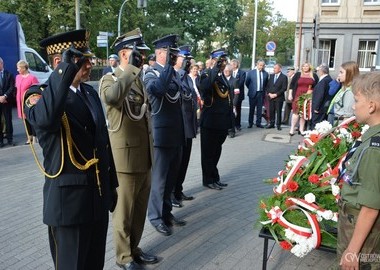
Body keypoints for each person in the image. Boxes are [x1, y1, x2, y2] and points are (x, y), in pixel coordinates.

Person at [23, 29, 118, 270]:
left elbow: (102, 141)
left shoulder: (89, 92)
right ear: (59, 62)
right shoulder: (38, 96)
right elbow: (44, 120)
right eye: (82, 60)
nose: (90, 64)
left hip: (96, 198)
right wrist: (63, 72)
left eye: (89, 59)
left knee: (94, 263)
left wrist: (111, 184)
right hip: (69, 206)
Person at [99, 28, 158, 270]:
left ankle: (133, 249)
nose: (142, 59)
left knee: (139, 210)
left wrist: (135, 73)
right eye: (138, 54)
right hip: (125, 159)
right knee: (124, 213)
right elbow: (113, 98)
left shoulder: (138, 81)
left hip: (143, 157)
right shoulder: (110, 79)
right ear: (125, 54)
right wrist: (131, 70)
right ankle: (123, 257)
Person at [336, 71, 380, 270]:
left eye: (356, 100)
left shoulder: (374, 149)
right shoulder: (372, 138)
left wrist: (353, 251)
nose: (353, 106)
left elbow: (371, 207)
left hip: (361, 233)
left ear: (371, 106)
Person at [144, 34, 186, 236]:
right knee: (159, 180)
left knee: (171, 178)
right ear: (160, 53)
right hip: (161, 136)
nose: (174, 56)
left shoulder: (175, 74)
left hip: (176, 133)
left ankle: (166, 212)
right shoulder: (150, 73)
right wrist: (169, 68)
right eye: (171, 53)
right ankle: (155, 217)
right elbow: (158, 91)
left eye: (174, 54)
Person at [199, 48, 232, 190]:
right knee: (208, 153)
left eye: (224, 60)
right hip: (210, 122)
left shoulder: (221, 75)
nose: (223, 63)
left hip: (221, 121)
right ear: (213, 60)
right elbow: (205, 88)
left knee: (216, 151)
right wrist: (214, 68)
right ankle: (208, 179)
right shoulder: (206, 74)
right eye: (221, 60)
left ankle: (215, 177)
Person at [171, 45, 197, 208]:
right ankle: (173, 193)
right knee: (177, 163)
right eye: (185, 59)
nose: (188, 62)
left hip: (189, 125)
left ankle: (179, 190)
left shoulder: (187, 77)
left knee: (185, 161)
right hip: (180, 127)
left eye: (188, 59)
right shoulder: (176, 76)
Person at [288, 62, 318, 136]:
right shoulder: (298, 74)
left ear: (309, 67)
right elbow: (291, 85)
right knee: (296, 112)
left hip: (308, 96)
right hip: (297, 95)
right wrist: (290, 94)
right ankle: (292, 128)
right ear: (302, 67)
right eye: (304, 66)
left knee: (303, 113)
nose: (305, 67)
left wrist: (312, 91)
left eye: (307, 66)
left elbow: (317, 86)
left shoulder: (314, 75)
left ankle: (301, 129)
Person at [328, 61, 360, 125]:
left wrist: (340, 130)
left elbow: (347, 115)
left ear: (349, 74)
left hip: (340, 123)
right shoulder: (344, 88)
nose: (339, 75)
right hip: (336, 120)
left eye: (341, 72)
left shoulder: (350, 92)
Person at [15, 60, 39, 144]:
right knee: (25, 119)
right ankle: (29, 137)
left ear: (23, 68)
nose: (17, 70)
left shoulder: (32, 77)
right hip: (20, 101)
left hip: (29, 102)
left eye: (18, 68)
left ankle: (35, 137)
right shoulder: (17, 77)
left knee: (31, 118)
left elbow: (36, 90)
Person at [245, 59, 269, 128]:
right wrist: (252, 89)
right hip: (252, 93)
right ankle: (250, 123)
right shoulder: (251, 73)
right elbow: (247, 82)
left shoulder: (265, 74)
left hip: (261, 93)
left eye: (263, 66)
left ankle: (258, 123)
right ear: (257, 65)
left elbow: (266, 84)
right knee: (251, 109)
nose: (262, 67)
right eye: (260, 65)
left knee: (259, 109)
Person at [265, 63, 288, 131]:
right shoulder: (271, 76)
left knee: (278, 111)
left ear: (280, 69)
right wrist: (269, 93)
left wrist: (276, 94)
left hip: (279, 97)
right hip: (270, 97)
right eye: (274, 68)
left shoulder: (284, 77)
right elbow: (267, 86)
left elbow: (284, 88)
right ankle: (272, 123)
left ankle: (278, 124)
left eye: (275, 68)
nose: (274, 69)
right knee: (271, 111)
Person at [310, 64, 332, 130]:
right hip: (323, 107)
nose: (317, 72)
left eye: (318, 70)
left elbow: (320, 95)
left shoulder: (324, 81)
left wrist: (316, 107)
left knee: (316, 125)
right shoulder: (328, 79)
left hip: (320, 108)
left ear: (322, 71)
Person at [0, 57, 15, 147]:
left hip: (7, 101)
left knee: (8, 120)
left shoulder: (8, 74)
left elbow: (11, 87)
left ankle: (10, 139)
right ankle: (1, 141)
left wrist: (5, 96)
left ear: (1, 64)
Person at [223, 63, 239, 138]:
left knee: (231, 117)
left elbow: (237, 94)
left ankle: (232, 131)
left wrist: (234, 104)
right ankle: (225, 130)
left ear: (231, 71)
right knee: (224, 117)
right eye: (225, 71)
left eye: (228, 71)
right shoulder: (222, 80)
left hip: (231, 102)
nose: (226, 72)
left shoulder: (235, 81)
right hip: (223, 102)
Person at [231, 59, 246, 131]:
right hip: (230, 95)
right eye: (231, 64)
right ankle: (231, 124)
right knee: (231, 110)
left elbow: (241, 83)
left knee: (238, 110)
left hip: (238, 94)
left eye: (234, 63)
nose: (233, 65)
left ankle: (237, 125)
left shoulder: (242, 73)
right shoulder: (229, 72)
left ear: (237, 64)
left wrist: (233, 86)